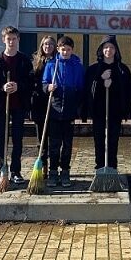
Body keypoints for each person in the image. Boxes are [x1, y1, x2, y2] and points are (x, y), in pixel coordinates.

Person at [0, 26, 33, 185]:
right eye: (8, 39)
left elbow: (31, 83)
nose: (11, 42)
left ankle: (16, 171)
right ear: (3, 40)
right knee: (2, 139)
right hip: (1, 107)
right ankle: (2, 169)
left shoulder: (25, 61)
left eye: (14, 39)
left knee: (17, 139)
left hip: (19, 106)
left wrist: (19, 86)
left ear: (18, 40)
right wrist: (2, 88)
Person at [83, 35, 131, 170]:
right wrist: (101, 80)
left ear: (116, 50)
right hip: (99, 111)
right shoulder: (93, 68)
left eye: (111, 47)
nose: (108, 50)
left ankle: (112, 167)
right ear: (101, 50)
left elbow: (128, 89)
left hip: (115, 111)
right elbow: (89, 89)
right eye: (106, 47)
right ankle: (100, 166)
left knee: (113, 140)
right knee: (99, 139)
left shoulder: (122, 69)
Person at [42, 36, 84, 188]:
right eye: (63, 49)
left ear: (72, 50)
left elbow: (81, 87)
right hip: (54, 108)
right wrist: (48, 87)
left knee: (67, 144)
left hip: (69, 110)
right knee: (54, 144)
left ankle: (65, 171)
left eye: (68, 49)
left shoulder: (77, 66)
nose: (65, 52)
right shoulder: (51, 64)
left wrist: (77, 105)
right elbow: (44, 83)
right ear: (58, 49)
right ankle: (53, 171)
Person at [30, 35, 57, 179]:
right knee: (41, 138)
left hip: (53, 103)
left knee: (53, 137)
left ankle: (54, 167)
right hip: (39, 104)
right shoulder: (35, 61)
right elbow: (31, 81)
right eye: (46, 44)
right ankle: (42, 164)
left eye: (51, 44)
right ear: (42, 45)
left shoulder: (58, 61)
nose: (48, 46)